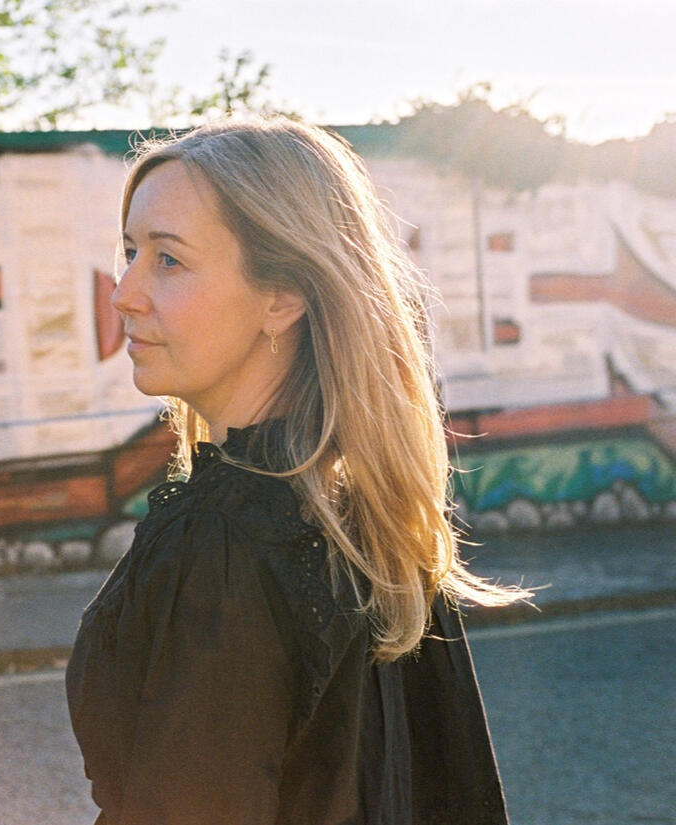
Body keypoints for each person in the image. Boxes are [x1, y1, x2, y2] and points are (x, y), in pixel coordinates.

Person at [65, 117, 528, 825]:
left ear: (281, 297)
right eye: (131, 252)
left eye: (169, 259)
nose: (123, 291)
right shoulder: (365, 512)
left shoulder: (227, 541)